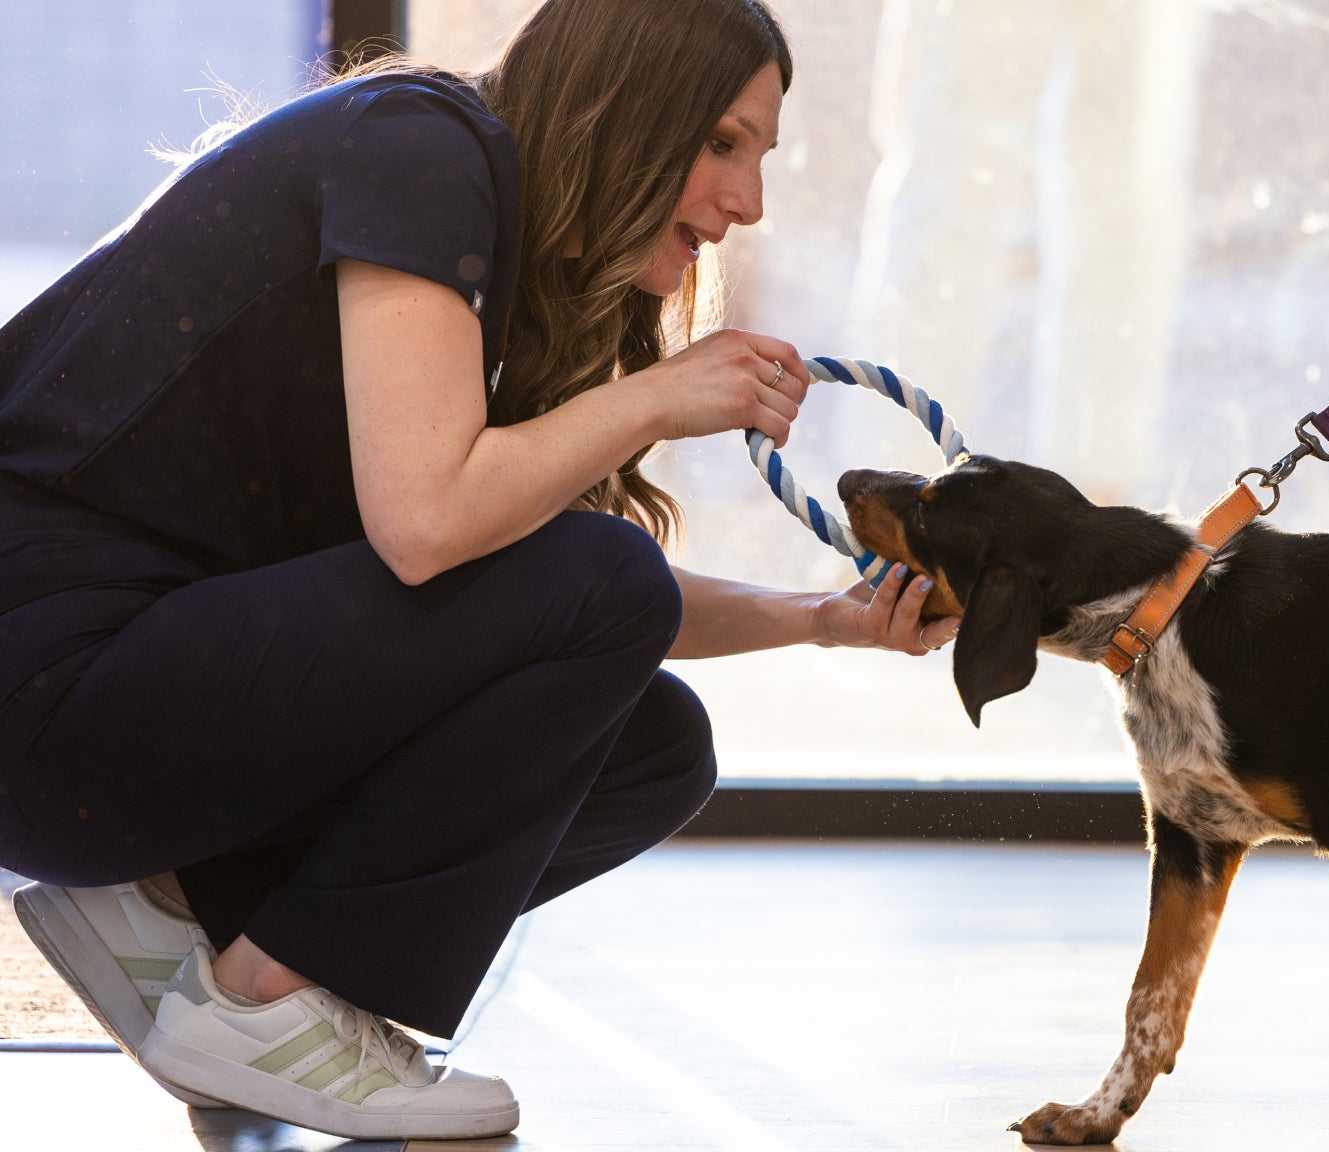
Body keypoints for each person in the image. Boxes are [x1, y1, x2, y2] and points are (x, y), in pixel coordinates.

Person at [0, 0, 960, 1140]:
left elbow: (543, 601)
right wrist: (655, 394)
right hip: (49, 691)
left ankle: (179, 916)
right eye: (722, 142)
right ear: (628, 111)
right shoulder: (423, 146)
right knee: (608, 587)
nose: (748, 201)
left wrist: (822, 620)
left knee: (652, 747)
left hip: (128, 698)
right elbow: (434, 528)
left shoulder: (492, 236)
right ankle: (269, 999)